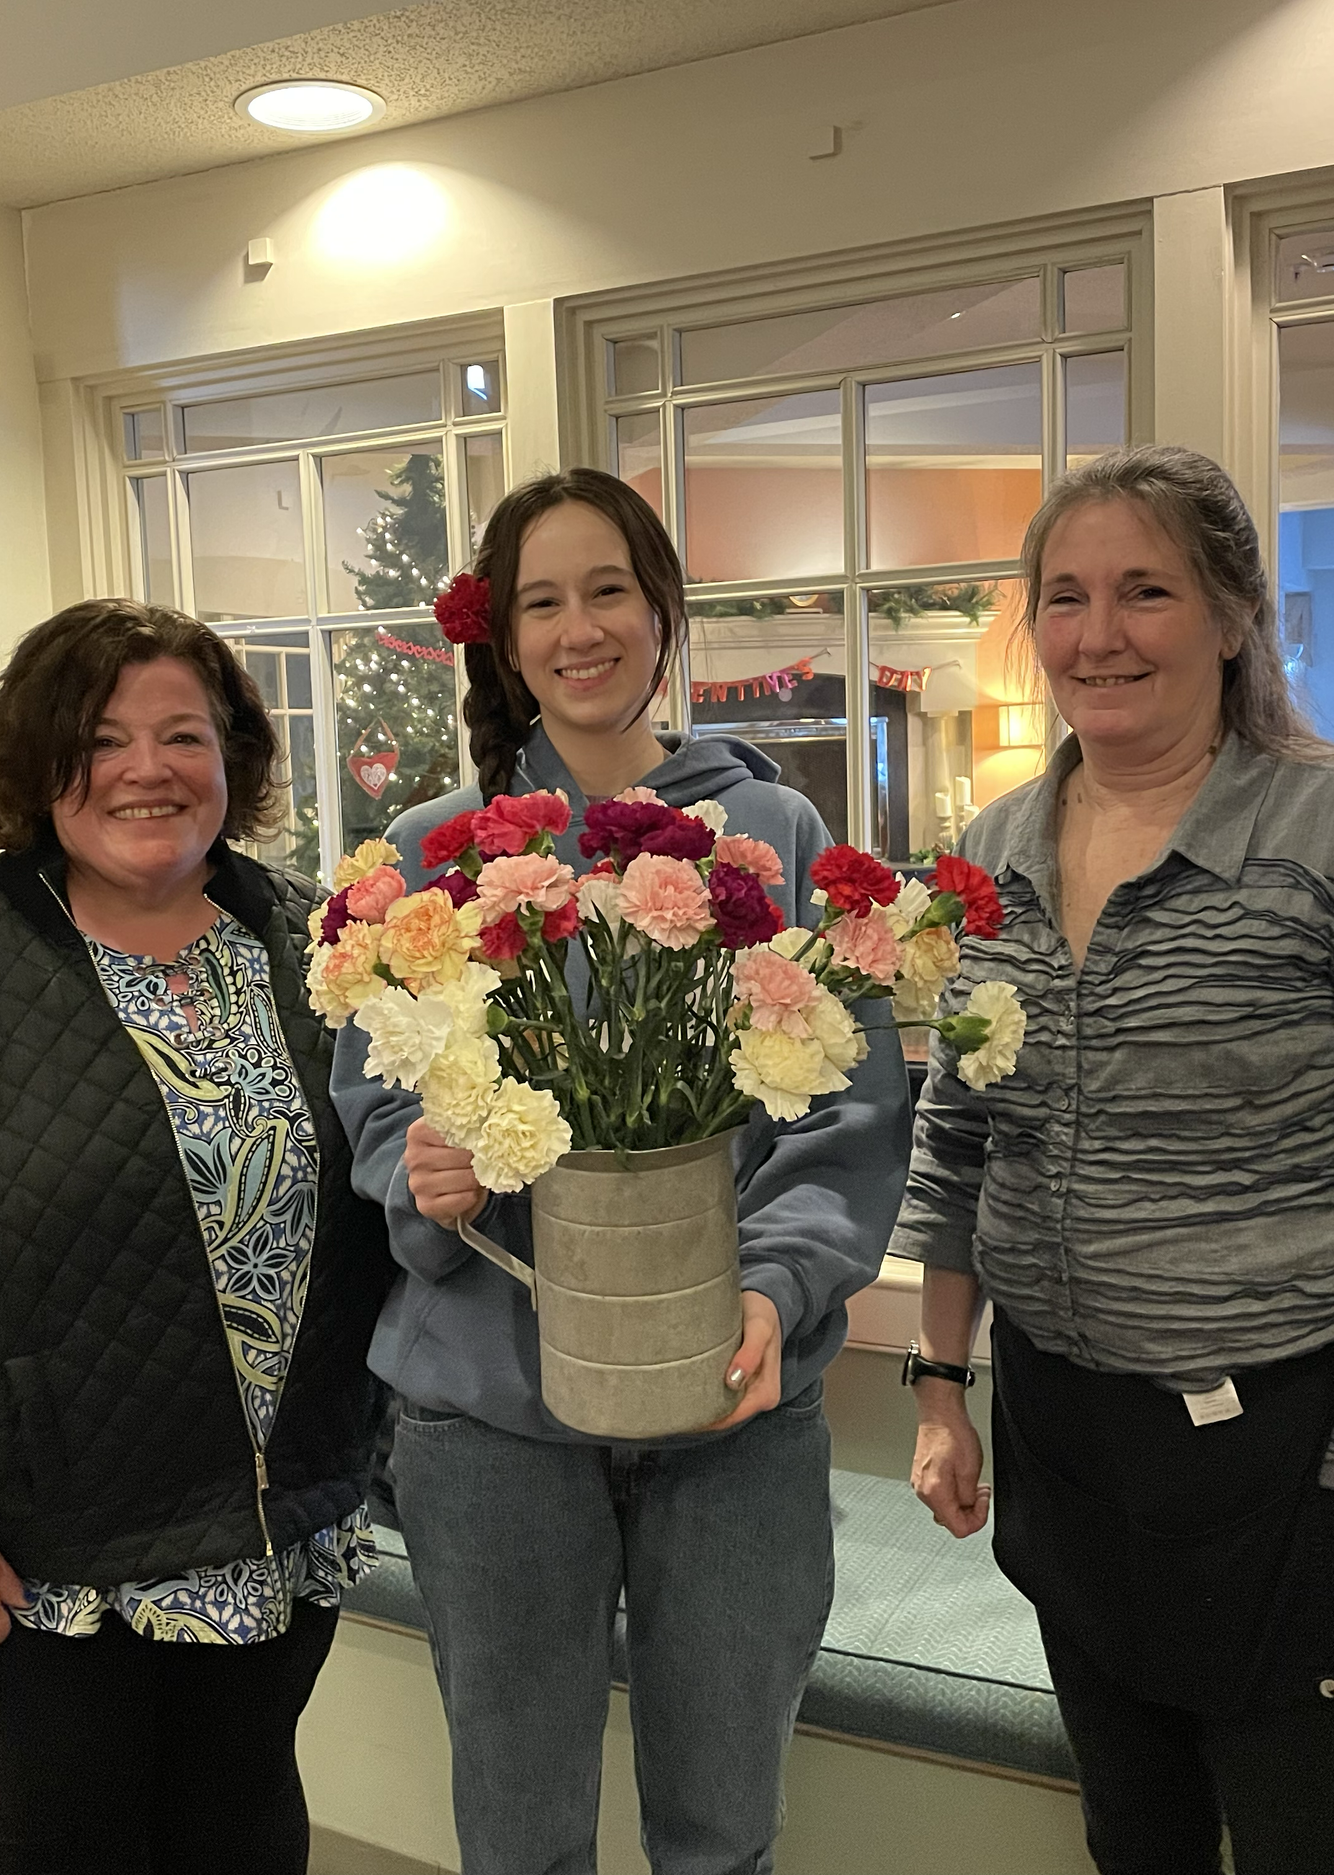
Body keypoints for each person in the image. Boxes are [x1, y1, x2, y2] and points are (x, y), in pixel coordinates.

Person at [897, 446, 1334, 1875]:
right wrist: (941, 1377)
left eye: (1146, 590)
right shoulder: (995, 849)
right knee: (1135, 1834)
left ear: (1236, 613)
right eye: (1064, 596)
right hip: (1067, 1440)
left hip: (1290, 1458)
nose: (1098, 634)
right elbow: (959, 1134)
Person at [0, 600, 394, 1874]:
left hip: (281, 1532)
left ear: (234, 760)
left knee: (244, 1823)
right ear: (36, 765)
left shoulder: (320, 947)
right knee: (66, 1846)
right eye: (100, 739)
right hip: (40, 1565)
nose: (146, 770)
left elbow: (380, 1202)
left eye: (183, 736)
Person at [332, 469, 910, 1875]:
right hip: (490, 1425)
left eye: (609, 591)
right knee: (520, 1832)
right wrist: (423, 1170)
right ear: (504, 636)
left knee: (723, 1831)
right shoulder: (432, 855)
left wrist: (774, 1287)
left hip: (731, 1406)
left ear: (662, 615)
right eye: (543, 600)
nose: (580, 627)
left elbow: (847, 1110)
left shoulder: (775, 840)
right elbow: (368, 1103)